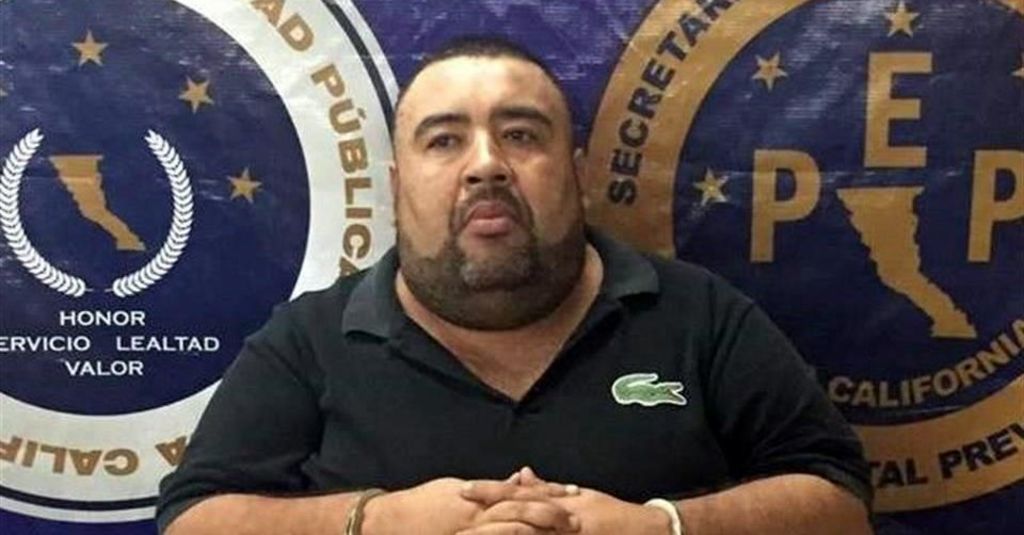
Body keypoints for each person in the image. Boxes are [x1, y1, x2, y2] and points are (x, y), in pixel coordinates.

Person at [157, 37, 873, 535]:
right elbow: (192, 517)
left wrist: (662, 526)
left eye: (522, 135)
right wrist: (374, 520)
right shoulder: (308, 340)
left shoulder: (701, 314)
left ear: (578, 174)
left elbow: (839, 501)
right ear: (397, 187)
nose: (486, 165)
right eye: (444, 140)